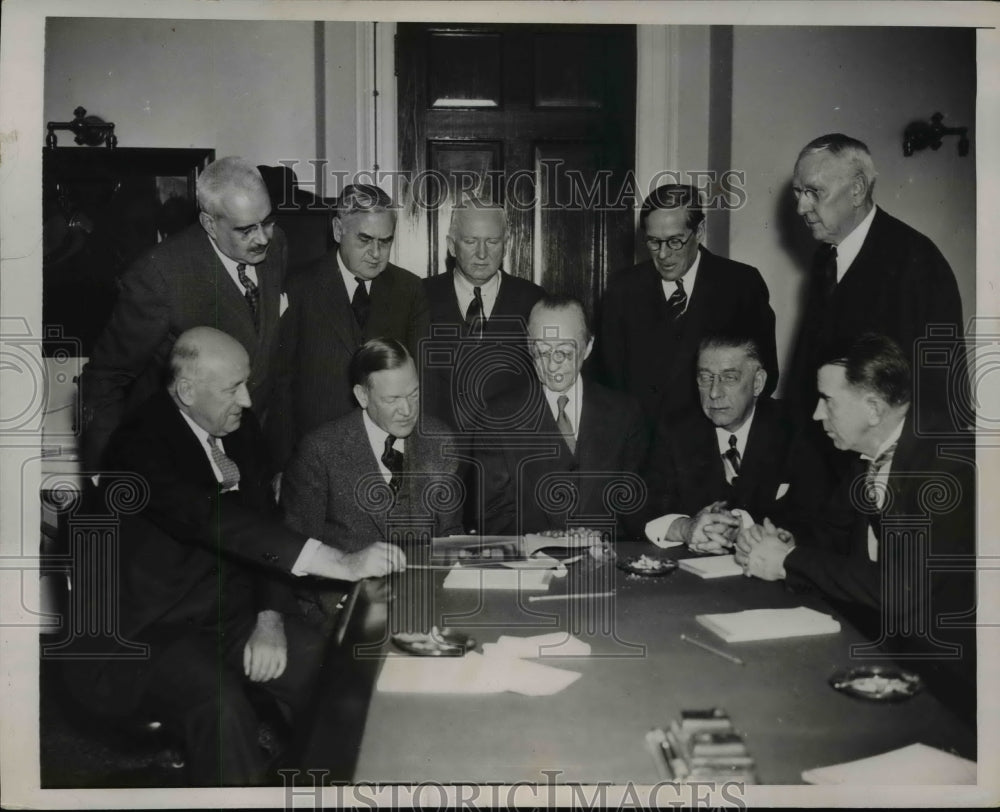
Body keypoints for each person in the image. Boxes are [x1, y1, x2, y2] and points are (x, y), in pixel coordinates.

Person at [64, 327, 405, 786]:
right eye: (232, 389)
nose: (246, 400)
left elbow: (266, 525)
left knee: (334, 674)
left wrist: (268, 618)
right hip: (146, 630)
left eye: (247, 384)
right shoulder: (138, 446)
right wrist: (340, 562)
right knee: (221, 706)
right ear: (186, 391)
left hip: (226, 611)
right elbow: (212, 520)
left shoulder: (235, 427)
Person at [735, 334, 975, 713]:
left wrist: (789, 560)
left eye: (828, 401)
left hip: (954, 686)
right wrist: (783, 540)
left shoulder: (947, 468)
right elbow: (830, 534)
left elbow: (900, 589)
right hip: (888, 655)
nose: (816, 414)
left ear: (874, 409)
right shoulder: (868, 458)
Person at [78, 157, 289, 471]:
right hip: (178, 458)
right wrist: (107, 470)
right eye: (246, 230)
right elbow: (104, 379)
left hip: (252, 452)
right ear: (209, 224)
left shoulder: (277, 246)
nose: (263, 238)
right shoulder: (160, 275)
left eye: (268, 221)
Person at [786, 133, 968, 429]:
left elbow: (940, 391)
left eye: (814, 192)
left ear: (857, 189)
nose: (801, 208)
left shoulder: (918, 261)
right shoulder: (825, 258)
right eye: (798, 192)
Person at [267, 184, 429, 469]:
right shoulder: (298, 287)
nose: (376, 253)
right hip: (314, 456)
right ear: (338, 230)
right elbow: (281, 384)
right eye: (365, 239)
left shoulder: (410, 289)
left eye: (385, 241)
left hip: (387, 456)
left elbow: (419, 380)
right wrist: (282, 465)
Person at [598, 184, 778, 427]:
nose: (662, 255)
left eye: (674, 241)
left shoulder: (741, 285)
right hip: (640, 445)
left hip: (709, 445)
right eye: (653, 242)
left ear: (700, 230)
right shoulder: (622, 289)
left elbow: (764, 376)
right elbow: (607, 379)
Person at [473, 295, 648, 536]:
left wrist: (601, 535)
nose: (553, 366)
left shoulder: (625, 413)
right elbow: (491, 513)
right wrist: (535, 541)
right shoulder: (497, 416)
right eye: (542, 352)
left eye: (564, 352)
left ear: (588, 347)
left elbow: (636, 507)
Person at [643, 333, 827, 553]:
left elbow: (818, 520)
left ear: (758, 383)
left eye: (729, 378)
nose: (714, 392)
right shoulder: (675, 430)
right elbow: (642, 509)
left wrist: (745, 526)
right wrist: (686, 528)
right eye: (705, 378)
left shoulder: (797, 428)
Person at [282, 337, 465, 555]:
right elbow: (299, 551)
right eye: (392, 399)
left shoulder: (439, 439)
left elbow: (451, 535)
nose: (407, 410)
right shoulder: (319, 450)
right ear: (362, 396)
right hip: (347, 588)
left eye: (414, 394)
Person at [421, 197, 545, 432]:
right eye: (470, 241)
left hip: (511, 454)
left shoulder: (534, 301)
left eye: (492, 241)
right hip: (437, 453)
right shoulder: (419, 297)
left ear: (506, 244)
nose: (481, 253)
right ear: (451, 245)